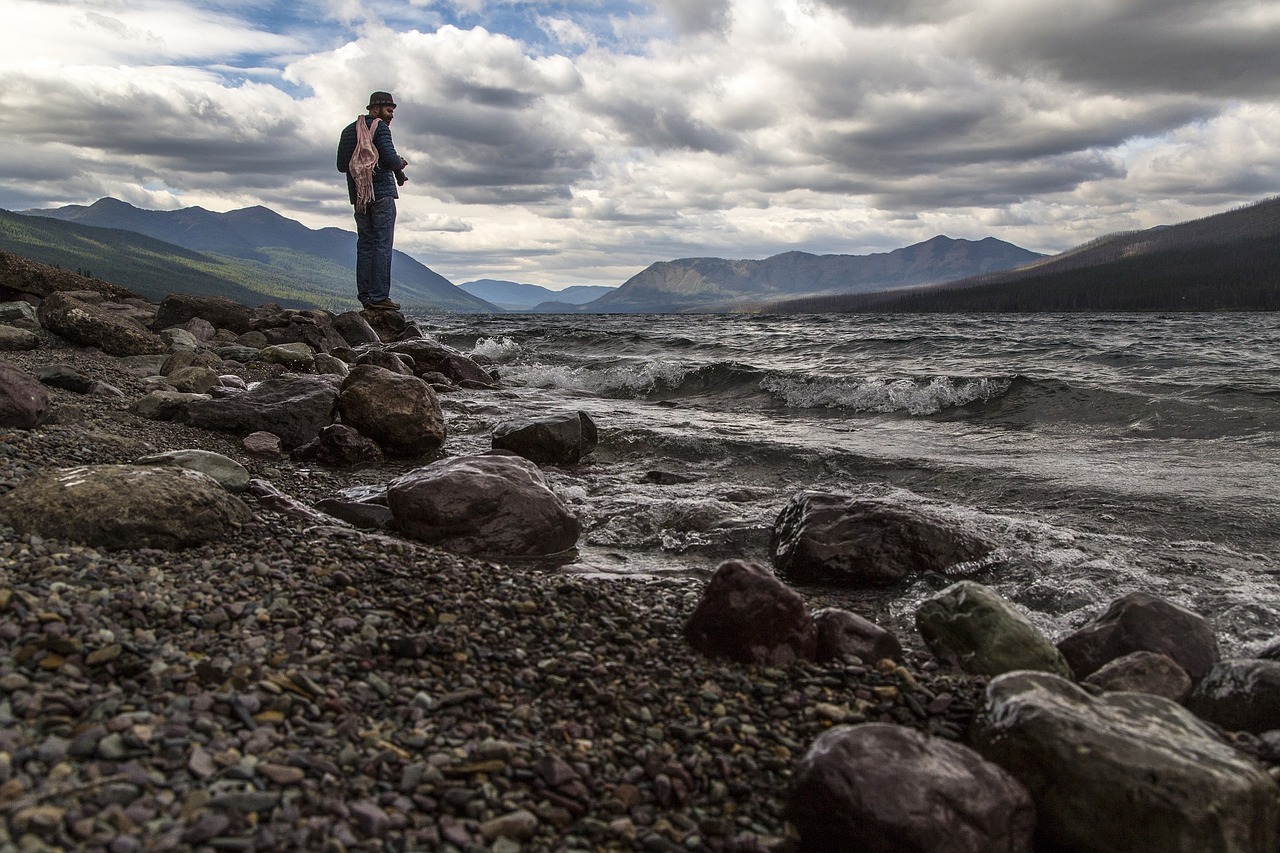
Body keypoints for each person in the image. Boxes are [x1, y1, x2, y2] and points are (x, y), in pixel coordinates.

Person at [336, 91, 409, 310]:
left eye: (393, 111)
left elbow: (341, 166)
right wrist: (401, 163)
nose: (391, 115)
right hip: (382, 195)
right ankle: (380, 297)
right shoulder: (381, 128)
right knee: (382, 244)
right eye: (389, 110)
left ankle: (366, 296)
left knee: (365, 245)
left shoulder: (349, 131)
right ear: (375, 109)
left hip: (359, 196)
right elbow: (390, 157)